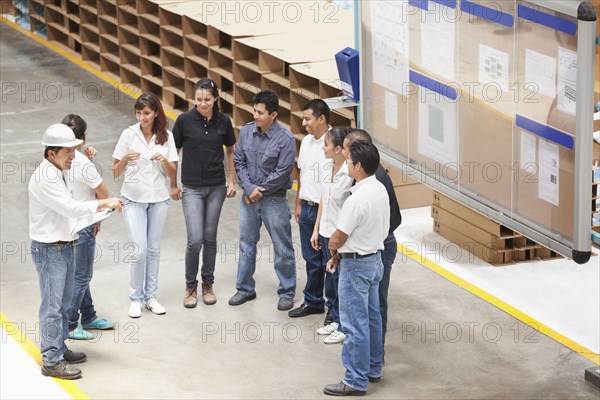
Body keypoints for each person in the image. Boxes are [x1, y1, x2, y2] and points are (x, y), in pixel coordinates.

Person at [29, 123, 122, 379]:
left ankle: (58, 348)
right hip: (51, 251)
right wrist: (103, 202)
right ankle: (51, 360)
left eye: (74, 150)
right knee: (52, 306)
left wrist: (99, 212)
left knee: (64, 304)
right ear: (51, 153)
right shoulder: (46, 177)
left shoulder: (59, 170)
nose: (73, 156)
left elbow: (70, 212)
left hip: (64, 246)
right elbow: (70, 208)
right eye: (68, 151)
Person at [323, 141, 389, 396]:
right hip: (375, 261)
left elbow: (338, 238)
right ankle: (373, 368)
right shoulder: (379, 188)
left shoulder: (356, 199)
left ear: (358, 165)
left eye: (349, 161)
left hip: (355, 267)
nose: (346, 163)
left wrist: (333, 249)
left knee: (353, 325)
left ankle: (354, 380)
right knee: (372, 318)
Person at [112, 92, 179, 318]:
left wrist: (164, 161)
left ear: (156, 113)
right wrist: (124, 159)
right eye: (139, 113)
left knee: (153, 249)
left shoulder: (167, 136)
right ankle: (135, 298)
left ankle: (150, 296)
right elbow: (115, 172)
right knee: (139, 249)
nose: (143, 117)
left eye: (147, 113)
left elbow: (173, 173)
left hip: (159, 198)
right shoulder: (128, 135)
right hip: (133, 199)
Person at [229, 89, 296, 311]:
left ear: (273, 114)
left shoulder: (285, 139)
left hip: (274, 200)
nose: (255, 116)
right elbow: (238, 161)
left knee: (282, 246)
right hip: (249, 198)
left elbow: (283, 171)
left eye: (260, 112)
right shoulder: (247, 131)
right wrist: (249, 188)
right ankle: (244, 288)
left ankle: (287, 291)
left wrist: (260, 190)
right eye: (254, 111)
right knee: (246, 244)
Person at [172, 78, 237, 308]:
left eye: (207, 99)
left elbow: (230, 151)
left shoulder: (224, 121)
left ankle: (207, 283)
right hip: (191, 188)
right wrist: (172, 183)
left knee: (210, 238)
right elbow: (173, 153)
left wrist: (232, 179)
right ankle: (190, 285)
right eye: (198, 99)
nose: (202, 103)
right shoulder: (184, 121)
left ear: (216, 98)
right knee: (195, 239)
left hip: (217, 187)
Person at [343, 129, 402, 354]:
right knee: (371, 309)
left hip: (378, 247)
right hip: (375, 245)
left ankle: (374, 355)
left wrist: (368, 239)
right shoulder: (365, 178)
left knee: (374, 307)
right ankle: (374, 356)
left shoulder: (375, 181)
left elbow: (391, 219)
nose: (344, 155)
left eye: (348, 151)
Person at [61, 114, 116, 341]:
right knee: (82, 276)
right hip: (84, 224)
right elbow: (104, 194)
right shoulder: (83, 163)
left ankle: (89, 315)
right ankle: (72, 325)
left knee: (77, 272)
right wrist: (98, 217)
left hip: (68, 222)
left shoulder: (59, 159)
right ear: (83, 136)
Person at [288, 99, 334, 321]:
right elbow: (302, 174)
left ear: (322, 119)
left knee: (329, 262)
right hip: (307, 208)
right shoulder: (306, 141)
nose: (303, 123)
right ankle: (313, 301)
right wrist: (298, 203)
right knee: (311, 259)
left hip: (326, 213)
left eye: (307, 119)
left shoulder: (335, 143)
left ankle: (334, 310)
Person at [309, 127, 353, 344]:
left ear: (338, 148)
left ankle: (344, 325)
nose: (322, 148)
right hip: (325, 232)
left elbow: (348, 209)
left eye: (326, 144)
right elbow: (324, 200)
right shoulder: (328, 167)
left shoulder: (349, 175)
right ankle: (335, 318)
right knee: (331, 280)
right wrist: (316, 229)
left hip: (339, 235)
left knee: (341, 281)